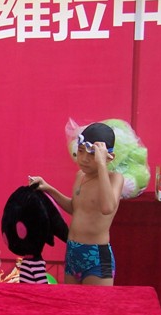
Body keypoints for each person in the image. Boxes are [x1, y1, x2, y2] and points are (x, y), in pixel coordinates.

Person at [29, 122, 124, 286]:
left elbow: (107, 208)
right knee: (72, 302)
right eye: (80, 151)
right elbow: (75, 208)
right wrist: (48, 188)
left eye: (92, 155)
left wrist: (102, 165)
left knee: (96, 303)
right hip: (73, 251)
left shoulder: (114, 179)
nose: (85, 159)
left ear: (108, 157)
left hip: (96, 255)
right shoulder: (80, 176)